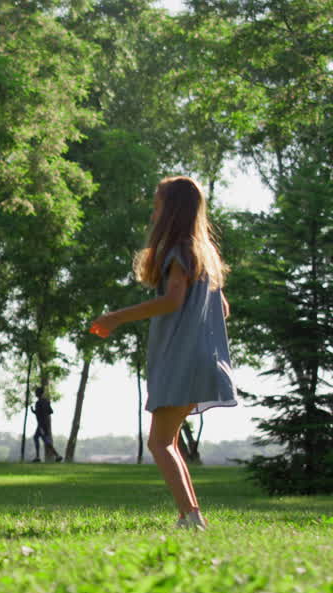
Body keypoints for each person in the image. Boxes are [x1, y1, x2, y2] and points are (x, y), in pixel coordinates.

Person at [90, 176, 237, 531]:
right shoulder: (206, 256)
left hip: (182, 361)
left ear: (171, 210)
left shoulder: (179, 252)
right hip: (204, 359)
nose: (153, 211)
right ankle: (190, 515)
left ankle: (192, 518)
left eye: (157, 204)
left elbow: (172, 301)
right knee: (166, 441)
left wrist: (114, 318)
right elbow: (224, 309)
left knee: (159, 443)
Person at [31, 386, 62, 462]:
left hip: (41, 424)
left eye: (36, 392)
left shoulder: (38, 403)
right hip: (46, 424)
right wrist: (36, 412)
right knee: (43, 439)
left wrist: (34, 412)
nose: (35, 393)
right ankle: (57, 456)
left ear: (38, 393)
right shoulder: (46, 401)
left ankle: (39, 457)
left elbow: (39, 414)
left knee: (40, 439)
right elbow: (51, 411)